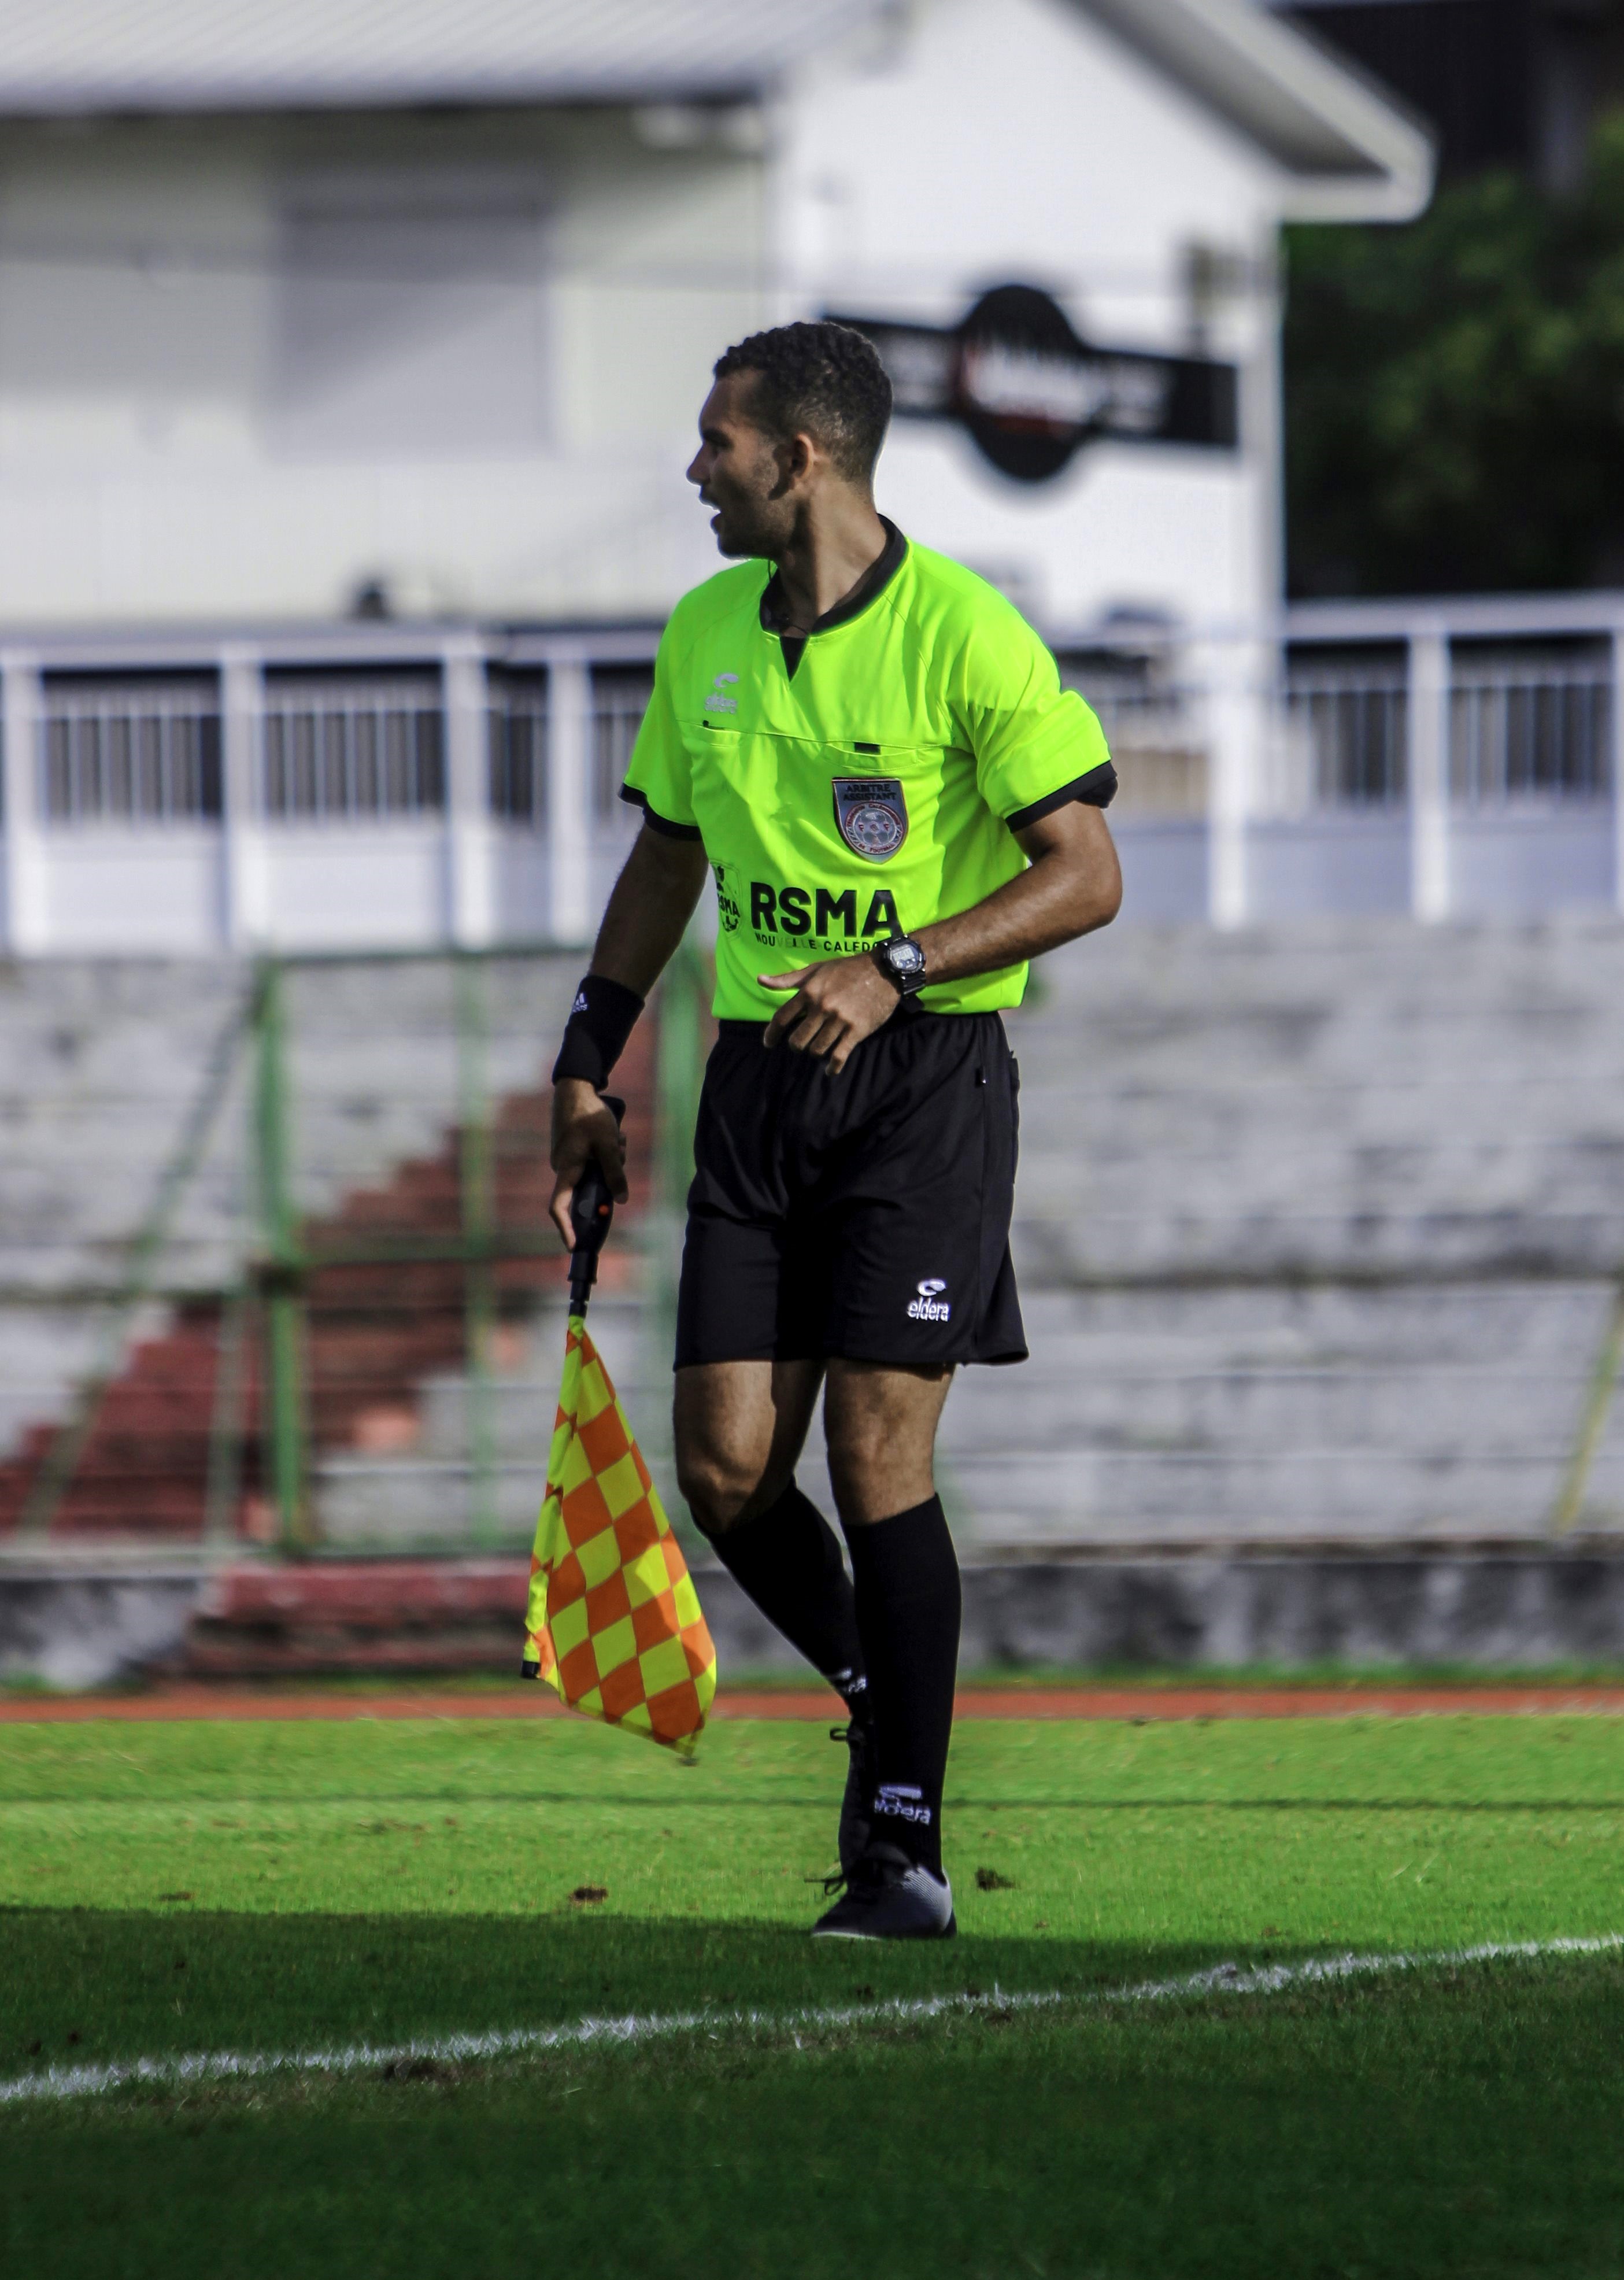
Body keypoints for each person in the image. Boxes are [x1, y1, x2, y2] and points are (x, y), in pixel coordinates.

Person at [548, 320, 1120, 1939]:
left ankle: (901, 1848)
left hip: (923, 1084)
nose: (694, 470)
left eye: (715, 442)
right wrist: (587, 1058)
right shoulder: (705, 633)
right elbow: (666, 858)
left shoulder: (962, 632)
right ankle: (895, 1695)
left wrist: (897, 965)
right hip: (755, 1084)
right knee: (728, 1473)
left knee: (876, 1455)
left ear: (801, 458)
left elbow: (1086, 872)